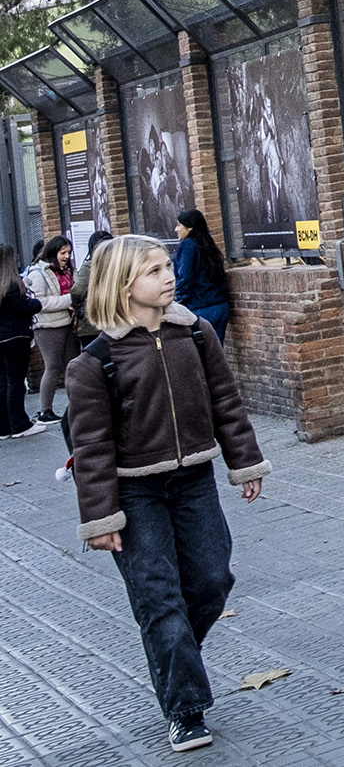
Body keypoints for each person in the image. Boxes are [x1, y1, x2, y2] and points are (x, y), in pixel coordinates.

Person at [64, 234, 268, 754]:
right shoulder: (94, 362)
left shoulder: (195, 333)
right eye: (154, 271)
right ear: (122, 285)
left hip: (194, 479)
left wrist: (244, 462)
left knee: (212, 580)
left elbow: (226, 402)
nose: (169, 277)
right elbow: (91, 446)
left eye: (167, 266)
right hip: (134, 492)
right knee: (160, 599)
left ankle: (173, 652)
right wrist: (101, 517)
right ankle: (185, 709)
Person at [27, 235, 75, 422]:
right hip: (48, 326)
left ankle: (77, 405)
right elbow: (39, 303)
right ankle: (45, 411)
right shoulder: (38, 273)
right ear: (53, 252)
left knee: (73, 366)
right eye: (63, 253)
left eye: (69, 252)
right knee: (53, 367)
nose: (67, 256)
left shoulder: (67, 270)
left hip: (68, 323)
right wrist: (68, 300)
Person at [169, 211, 232, 346]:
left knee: (198, 354)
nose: (176, 229)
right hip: (221, 305)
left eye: (179, 225)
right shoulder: (207, 243)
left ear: (190, 227)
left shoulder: (187, 245)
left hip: (200, 308)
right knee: (215, 352)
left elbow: (184, 278)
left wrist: (176, 301)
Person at [0, 246, 37, 437]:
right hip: (16, 336)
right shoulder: (12, 283)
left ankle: (4, 427)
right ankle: (20, 424)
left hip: (1, 339)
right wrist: (37, 303)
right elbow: (23, 307)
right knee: (16, 382)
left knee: (3, 382)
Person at [70, 226, 113, 346]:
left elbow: (77, 290)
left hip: (92, 323)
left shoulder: (90, 266)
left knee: (93, 355)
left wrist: (76, 304)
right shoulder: (118, 265)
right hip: (116, 320)